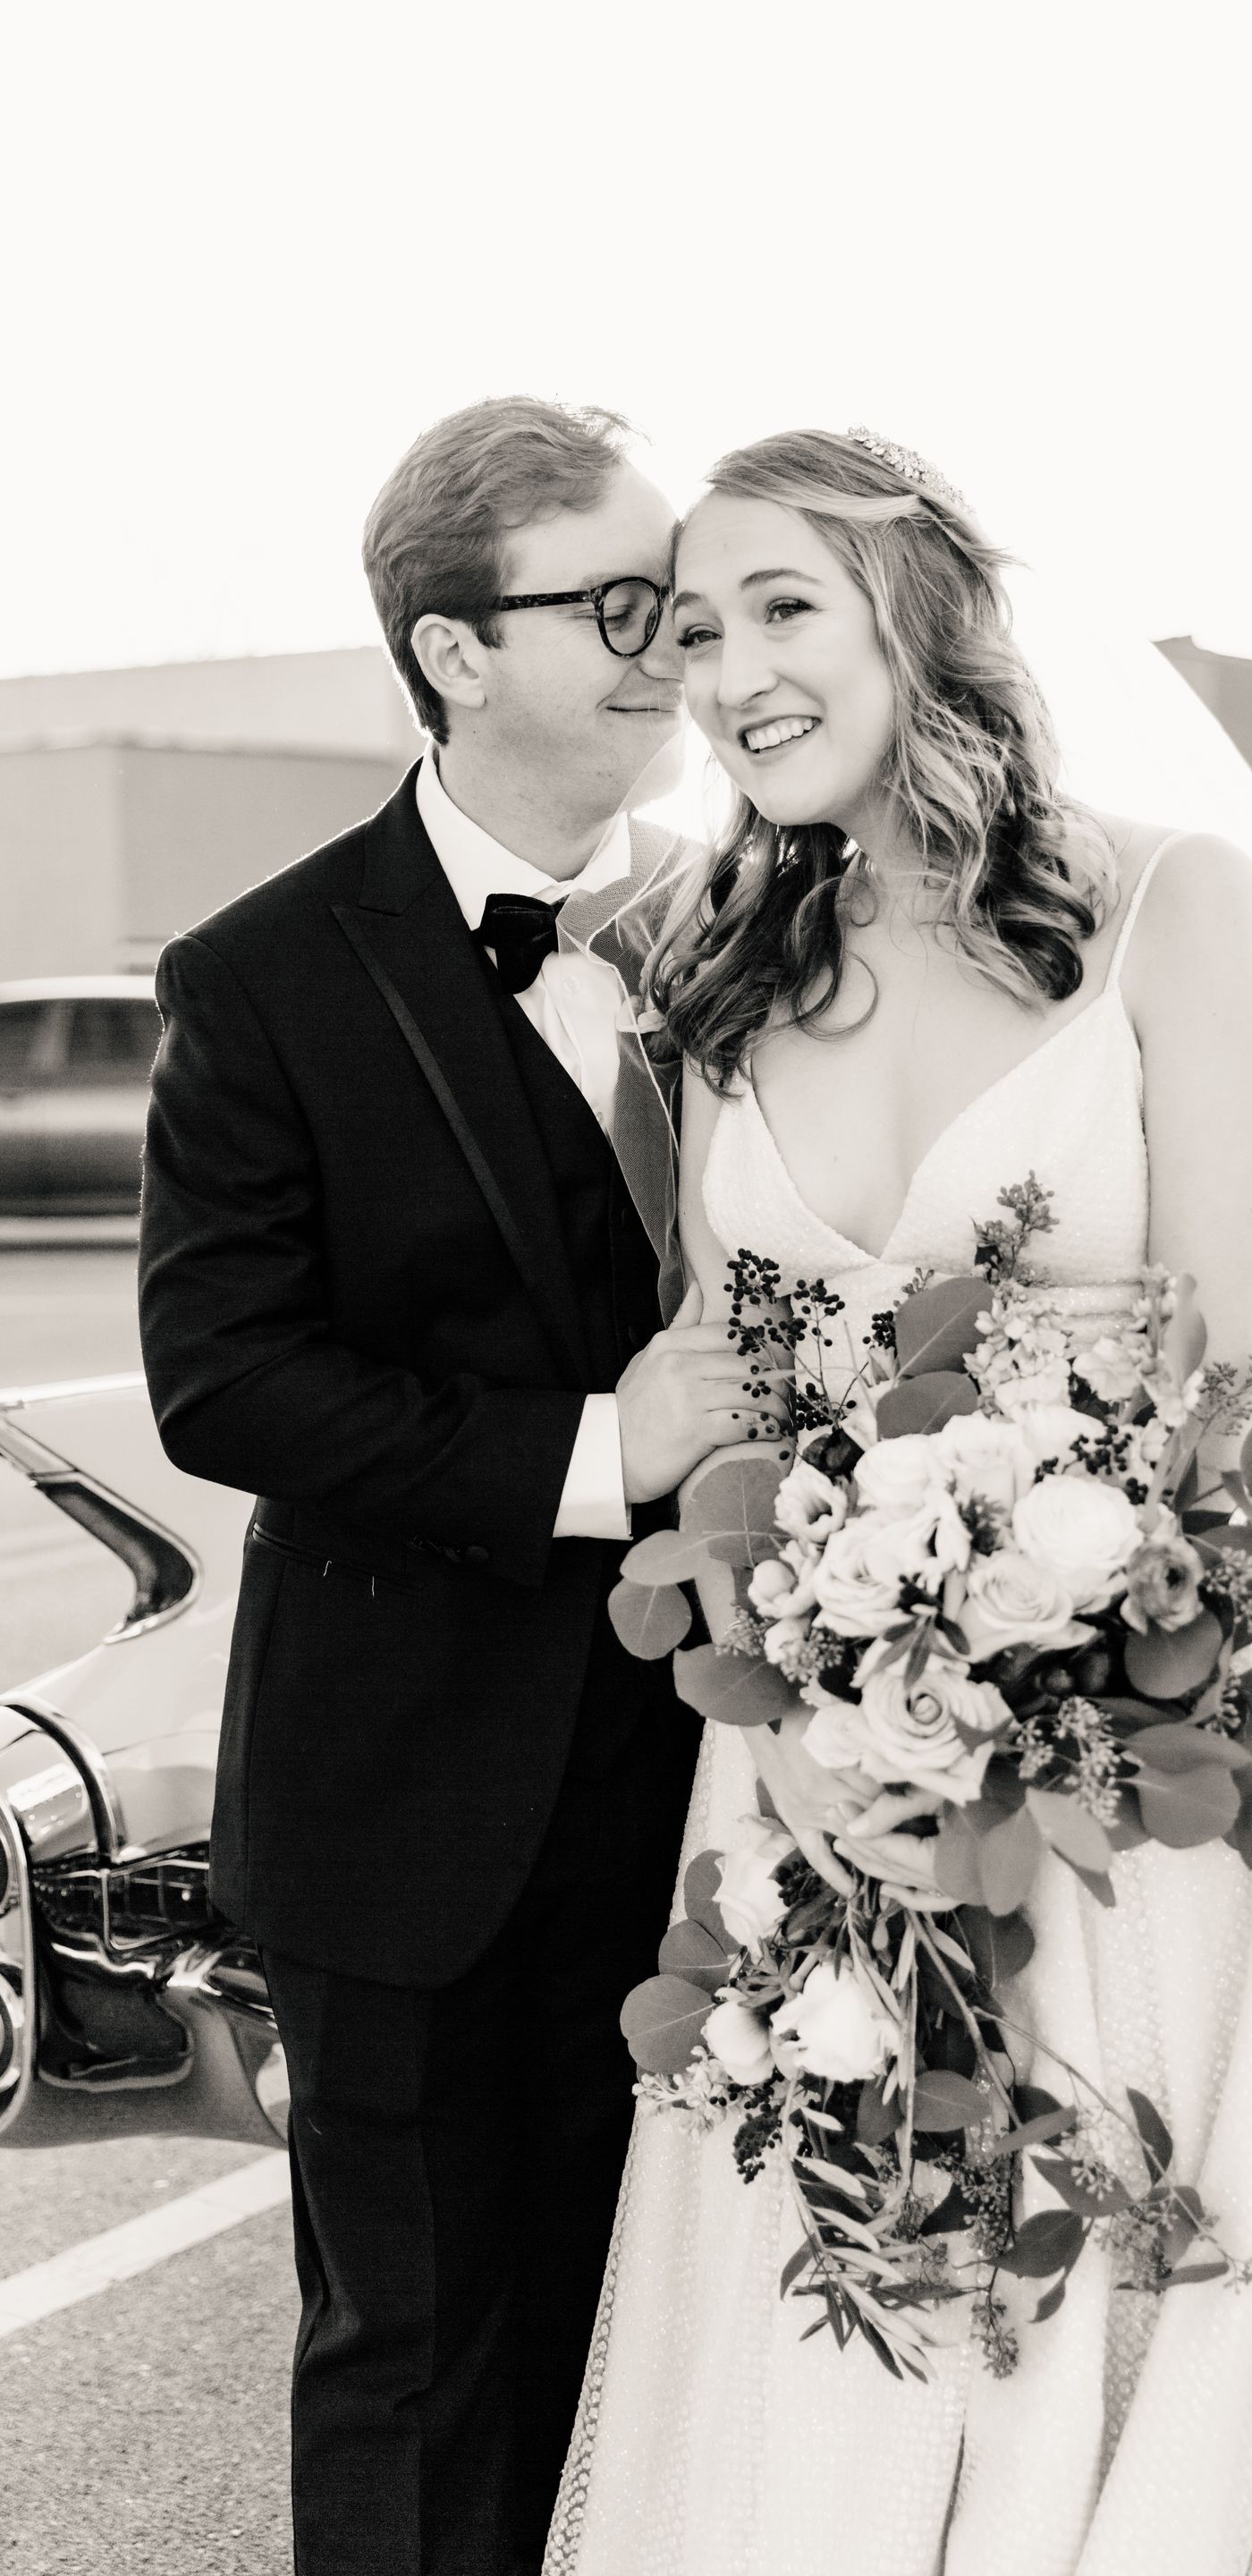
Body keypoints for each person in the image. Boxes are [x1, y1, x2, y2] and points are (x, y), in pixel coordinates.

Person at [548, 430, 1252, 2575]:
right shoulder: (724, 965)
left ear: (924, 617)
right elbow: (738, 1402)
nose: (730, 672)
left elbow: (1236, 1364)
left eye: (783, 608)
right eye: (695, 629)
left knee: (1101, 2266)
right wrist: (827, 1721)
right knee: (847, 2300)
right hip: (816, 1750)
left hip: (1143, 1737)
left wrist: (1013, 1700)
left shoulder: (1170, 897)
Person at [138, 397, 781, 2576]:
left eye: (671, 596)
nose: (666, 642)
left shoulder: (776, 936)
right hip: (409, 1804)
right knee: (418, 2367)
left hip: (741, 1800)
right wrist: (608, 1456)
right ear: (450, 650)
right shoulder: (263, 979)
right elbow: (225, 1383)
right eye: (613, 603)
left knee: (681, 2346)